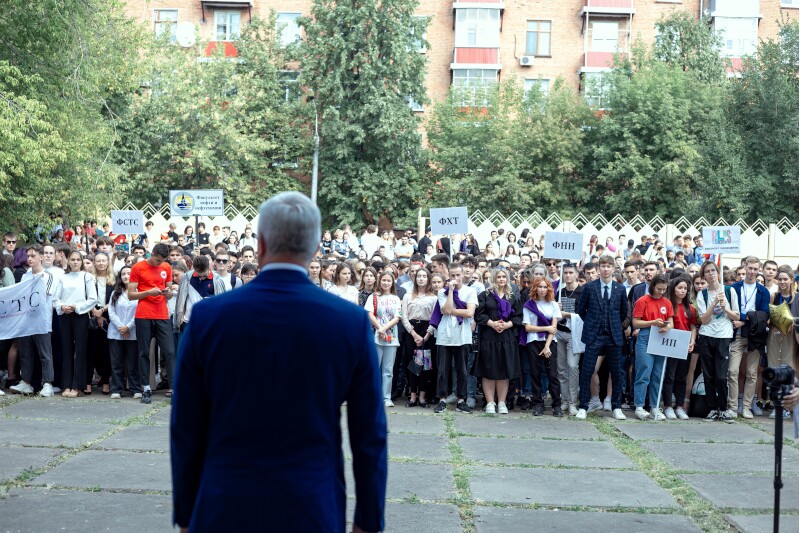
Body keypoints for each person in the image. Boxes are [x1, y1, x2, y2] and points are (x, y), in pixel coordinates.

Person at [170, 192, 387, 532]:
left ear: (260, 244)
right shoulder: (349, 322)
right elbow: (369, 434)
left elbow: (186, 425)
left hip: (225, 503)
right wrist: (368, 521)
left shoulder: (209, 318)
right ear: (315, 249)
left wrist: (186, 514)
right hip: (311, 505)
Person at [575, 255, 628, 421]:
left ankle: (616, 407)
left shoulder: (620, 289)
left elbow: (624, 312)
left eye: (608, 266)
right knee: (587, 370)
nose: (605, 269)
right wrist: (592, 323)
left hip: (613, 335)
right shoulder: (589, 287)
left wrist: (613, 324)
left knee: (617, 372)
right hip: (594, 335)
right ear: (599, 269)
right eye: (603, 266)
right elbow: (581, 310)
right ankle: (583, 406)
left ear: (613, 268)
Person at [128, 243, 175, 404]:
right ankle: (146, 388)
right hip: (144, 314)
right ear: (152, 254)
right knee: (144, 352)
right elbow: (131, 295)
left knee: (170, 351)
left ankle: (174, 388)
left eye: (162, 261)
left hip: (162, 313)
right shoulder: (138, 267)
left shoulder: (166, 267)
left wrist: (168, 293)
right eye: (157, 260)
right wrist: (148, 292)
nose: (159, 263)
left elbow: (169, 292)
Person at [10, 245, 58, 397]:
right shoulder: (25, 276)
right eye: (28, 256)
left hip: (42, 321)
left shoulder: (48, 276)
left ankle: (48, 384)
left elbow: (44, 296)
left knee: (45, 354)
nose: (29, 259)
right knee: (26, 353)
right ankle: (26, 382)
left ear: (41, 257)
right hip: (26, 322)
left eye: (33, 256)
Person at [696, 261, 739, 423]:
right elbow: (704, 320)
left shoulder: (729, 291)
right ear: (704, 275)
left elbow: (736, 316)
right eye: (707, 272)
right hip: (706, 336)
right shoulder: (702, 295)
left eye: (713, 270)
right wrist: (713, 303)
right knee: (708, 375)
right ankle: (712, 409)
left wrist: (725, 307)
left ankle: (724, 408)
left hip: (723, 336)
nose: (711, 274)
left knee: (721, 376)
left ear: (718, 272)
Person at [475, 269, 522, 415]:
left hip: (506, 337)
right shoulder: (485, 295)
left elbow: (519, 317)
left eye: (504, 277)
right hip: (489, 337)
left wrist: (507, 325)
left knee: (503, 370)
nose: (501, 279)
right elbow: (478, 315)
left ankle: (502, 402)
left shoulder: (513, 296)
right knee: (488, 370)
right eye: (498, 277)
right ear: (493, 279)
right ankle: (490, 402)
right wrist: (492, 323)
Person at [432, 263, 477, 414]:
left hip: (463, 336)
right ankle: (442, 399)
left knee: (462, 370)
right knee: (442, 370)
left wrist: (452, 310)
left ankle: (461, 400)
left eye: (458, 275)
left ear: (462, 275)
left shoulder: (470, 291)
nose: (455, 278)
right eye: (452, 275)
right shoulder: (442, 292)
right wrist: (450, 291)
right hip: (444, 336)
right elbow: (445, 310)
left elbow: (470, 313)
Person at [53, 250, 98, 398]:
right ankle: (66, 385)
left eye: (78, 259)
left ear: (82, 261)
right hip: (65, 316)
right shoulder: (62, 277)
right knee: (66, 350)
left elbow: (93, 299)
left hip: (80, 315)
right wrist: (62, 307)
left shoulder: (87, 277)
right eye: (72, 259)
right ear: (68, 261)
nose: (75, 262)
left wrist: (76, 307)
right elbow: (55, 298)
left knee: (80, 351)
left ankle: (77, 386)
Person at [631, 274, 673, 421]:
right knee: (644, 372)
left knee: (658, 374)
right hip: (645, 336)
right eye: (659, 289)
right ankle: (639, 406)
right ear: (653, 286)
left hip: (660, 338)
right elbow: (636, 322)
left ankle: (655, 406)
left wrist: (667, 327)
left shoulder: (667, 302)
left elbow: (671, 321)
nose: (661, 292)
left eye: (664, 289)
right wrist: (653, 322)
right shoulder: (642, 301)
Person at [661, 275, 696, 420]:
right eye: (680, 288)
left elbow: (692, 326)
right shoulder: (668, 305)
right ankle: (668, 406)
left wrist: (692, 341)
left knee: (682, 377)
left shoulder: (690, 308)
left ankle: (680, 406)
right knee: (669, 375)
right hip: (671, 345)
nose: (683, 291)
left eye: (685, 288)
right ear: (673, 289)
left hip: (684, 345)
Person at [107, 266, 141, 399]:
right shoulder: (115, 293)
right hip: (116, 332)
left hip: (133, 332)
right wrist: (121, 327)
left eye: (129, 273)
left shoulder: (139, 292)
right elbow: (111, 311)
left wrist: (128, 327)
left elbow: (139, 312)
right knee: (116, 362)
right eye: (123, 274)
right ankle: (117, 388)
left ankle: (135, 388)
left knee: (133, 363)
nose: (126, 276)